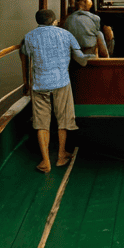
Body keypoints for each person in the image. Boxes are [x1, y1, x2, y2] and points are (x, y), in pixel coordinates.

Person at [21, 9, 88, 172]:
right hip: (61, 82)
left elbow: (24, 53)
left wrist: (26, 81)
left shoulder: (29, 37)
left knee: (41, 123)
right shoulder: (66, 34)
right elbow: (81, 59)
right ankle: (61, 155)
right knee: (62, 119)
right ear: (54, 21)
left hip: (40, 84)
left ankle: (45, 162)